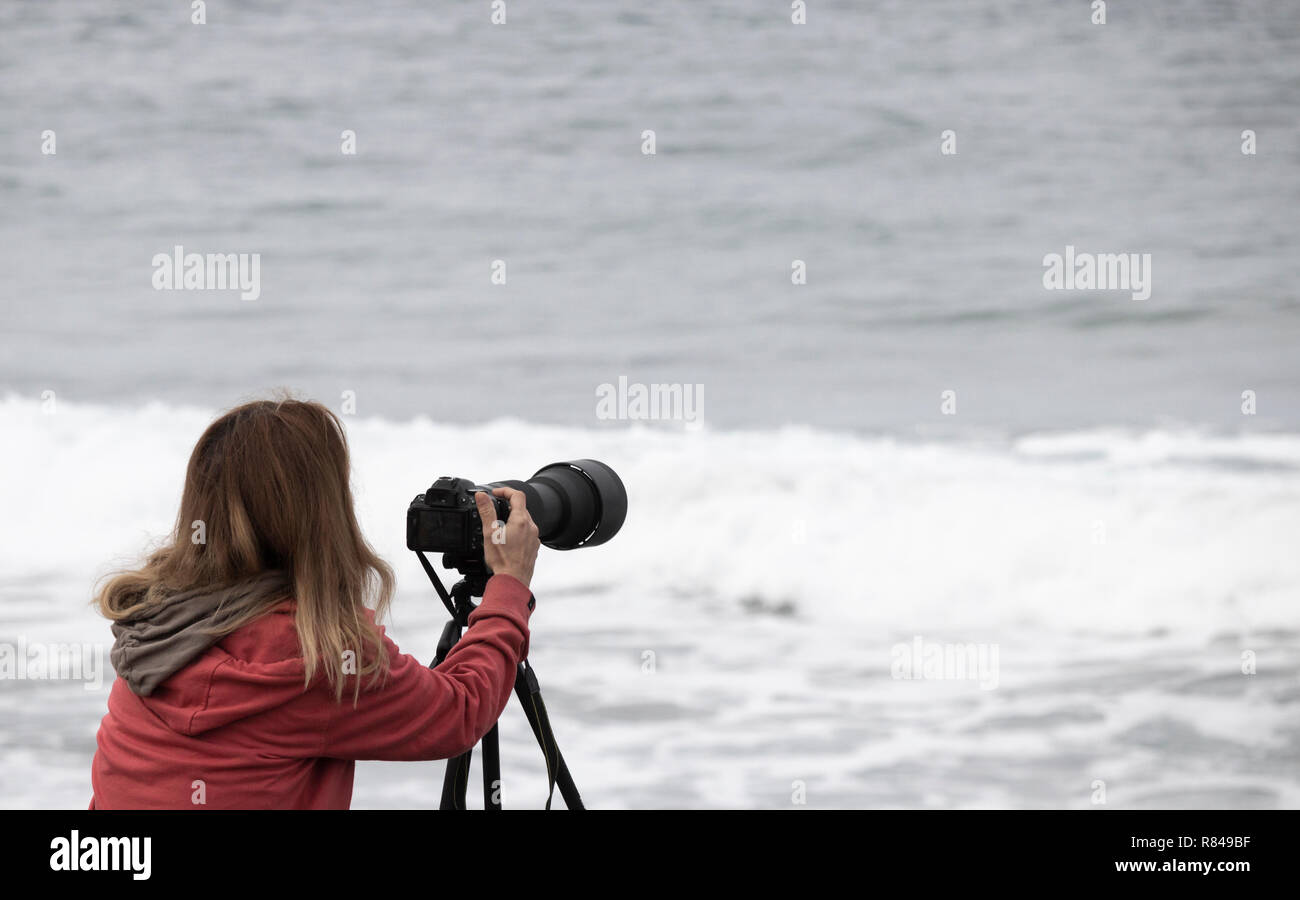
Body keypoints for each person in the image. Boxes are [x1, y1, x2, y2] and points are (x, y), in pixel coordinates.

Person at [89, 397, 540, 809]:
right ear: (325, 514)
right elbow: (458, 710)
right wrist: (509, 585)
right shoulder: (317, 658)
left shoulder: (154, 626)